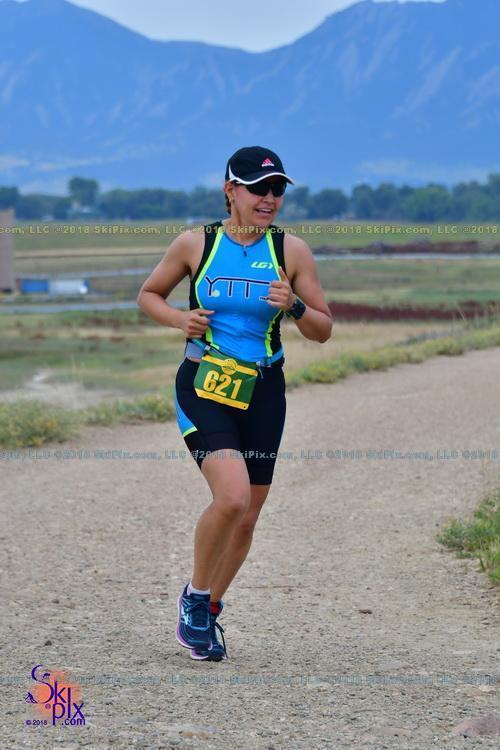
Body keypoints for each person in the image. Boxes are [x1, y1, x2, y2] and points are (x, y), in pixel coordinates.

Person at [137, 146, 333, 661]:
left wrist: (294, 305)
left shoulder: (291, 250)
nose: (269, 198)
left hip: (264, 391)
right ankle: (194, 597)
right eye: (257, 188)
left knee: (247, 517)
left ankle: (208, 609)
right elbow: (149, 295)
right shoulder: (195, 243)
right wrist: (179, 320)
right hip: (205, 384)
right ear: (230, 190)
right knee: (231, 498)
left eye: (277, 189)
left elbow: (323, 329)